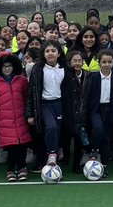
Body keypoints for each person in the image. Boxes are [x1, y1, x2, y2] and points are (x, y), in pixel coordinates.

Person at [27, 41, 81, 174]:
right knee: (51, 127)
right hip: (45, 105)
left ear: (59, 53)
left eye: (53, 51)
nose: (50, 53)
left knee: (59, 131)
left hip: (60, 104)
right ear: (43, 54)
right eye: (47, 51)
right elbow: (31, 92)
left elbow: (73, 90)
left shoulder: (65, 68)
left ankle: (56, 158)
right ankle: (52, 154)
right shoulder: (38, 69)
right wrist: (29, 114)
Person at [0, 53, 32, 182]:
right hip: (4, 121)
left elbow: (27, 99)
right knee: (11, 147)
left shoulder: (22, 81)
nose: (7, 68)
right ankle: (11, 169)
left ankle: (22, 168)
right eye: (4, 66)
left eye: (9, 66)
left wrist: (29, 115)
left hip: (21, 119)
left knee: (22, 145)